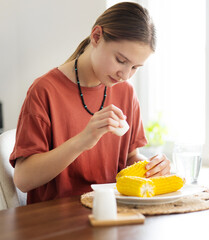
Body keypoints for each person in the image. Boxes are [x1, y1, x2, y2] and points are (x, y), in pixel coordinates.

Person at [10, 2, 171, 204]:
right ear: (96, 36)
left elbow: (130, 159)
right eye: (121, 60)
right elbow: (23, 179)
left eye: (135, 67)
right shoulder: (45, 90)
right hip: (56, 222)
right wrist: (84, 139)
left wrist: (151, 166)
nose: (125, 75)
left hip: (110, 212)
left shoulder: (126, 92)